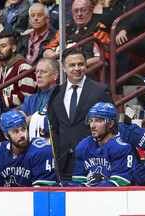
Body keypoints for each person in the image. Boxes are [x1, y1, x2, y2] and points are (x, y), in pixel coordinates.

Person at [49, 48, 114, 181]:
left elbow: (112, 126)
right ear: (63, 68)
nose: (77, 68)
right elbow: (55, 129)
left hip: (93, 162)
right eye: (72, 65)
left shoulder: (100, 90)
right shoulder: (56, 92)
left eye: (80, 64)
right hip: (64, 163)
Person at [60, 102, 137, 187]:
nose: (92, 126)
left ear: (110, 124)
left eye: (98, 121)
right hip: (90, 196)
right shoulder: (84, 146)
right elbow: (78, 182)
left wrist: (89, 189)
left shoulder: (122, 147)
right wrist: (67, 186)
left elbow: (119, 183)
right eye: (91, 121)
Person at [0, 109, 56, 187]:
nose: (22, 135)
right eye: (16, 131)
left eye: (23, 129)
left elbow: (42, 193)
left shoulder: (42, 151)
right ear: (6, 136)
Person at [43, 0, 110, 67]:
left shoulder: (98, 28)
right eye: (76, 10)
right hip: (62, 70)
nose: (79, 14)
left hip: (85, 73)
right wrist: (62, 63)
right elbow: (47, 51)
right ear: (72, 12)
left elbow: (104, 58)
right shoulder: (65, 29)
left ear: (91, 11)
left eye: (83, 10)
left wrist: (77, 65)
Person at [0, 32, 37, 109]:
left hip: (17, 112)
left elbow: (27, 96)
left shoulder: (23, 67)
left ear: (13, 48)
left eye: (3, 46)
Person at [19, 58, 59, 140]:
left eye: (43, 71)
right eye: (37, 72)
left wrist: (30, 119)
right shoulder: (30, 99)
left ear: (55, 75)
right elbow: (19, 122)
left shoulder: (61, 96)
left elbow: (51, 124)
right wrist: (38, 119)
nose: (38, 75)